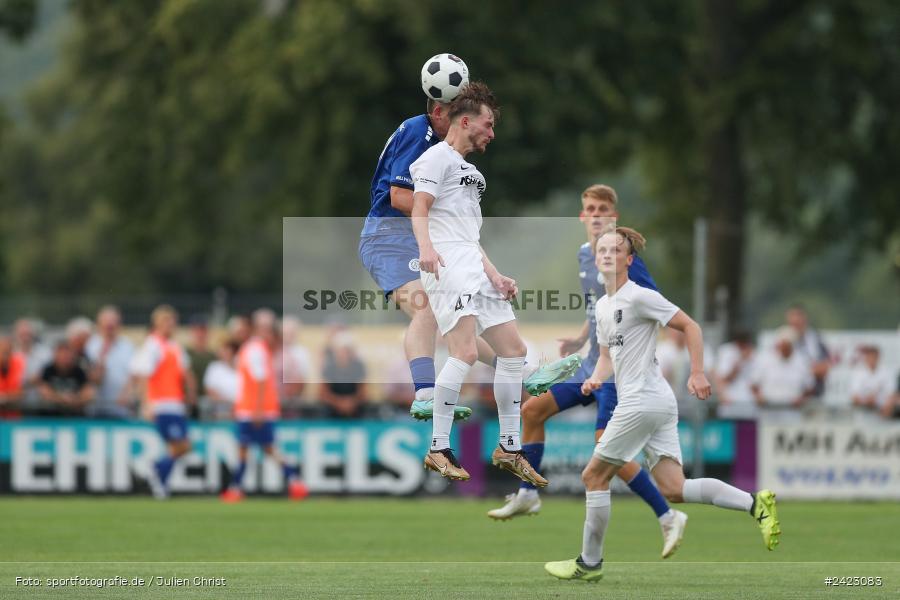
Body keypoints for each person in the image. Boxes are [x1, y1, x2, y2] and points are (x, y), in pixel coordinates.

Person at [545, 228, 780, 582]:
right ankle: (755, 504)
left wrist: (698, 372)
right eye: (602, 250)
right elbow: (608, 357)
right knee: (674, 488)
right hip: (655, 402)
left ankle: (589, 563)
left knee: (593, 475)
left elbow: (691, 326)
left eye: (616, 250)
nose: (607, 254)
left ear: (629, 260)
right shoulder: (605, 307)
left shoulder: (639, 296)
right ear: (595, 260)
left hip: (642, 401)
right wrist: (595, 377)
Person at [358, 63, 567, 424]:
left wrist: (491, 270)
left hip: (425, 237)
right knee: (427, 308)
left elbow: (455, 226)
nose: (462, 122)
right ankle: (425, 393)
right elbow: (398, 196)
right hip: (390, 238)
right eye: (454, 114)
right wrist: (440, 211)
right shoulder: (418, 132)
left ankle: (525, 370)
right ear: (438, 111)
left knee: (464, 319)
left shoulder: (454, 159)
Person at [488, 185, 677, 558]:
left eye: (603, 209)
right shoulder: (583, 255)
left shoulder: (627, 260)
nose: (595, 214)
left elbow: (652, 310)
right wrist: (580, 338)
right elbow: (599, 308)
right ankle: (528, 494)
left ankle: (667, 514)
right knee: (532, 410)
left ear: (614, 217)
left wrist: (630, 351)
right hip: (591, 361)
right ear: (581, 216)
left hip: (617, 371)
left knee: (606, 452)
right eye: (589, 208)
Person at [411, 81, 544, 487]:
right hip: (447, 263)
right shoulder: (437, 158)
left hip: (471, 261)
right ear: (464, 121)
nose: (492, 133)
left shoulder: (470, 171)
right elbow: (419, 209)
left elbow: (470, 236)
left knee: (514, 353)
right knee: (465, 352)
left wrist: (495, 274)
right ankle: (438, 447)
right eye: (487, 124)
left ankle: (508, 446)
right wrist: (427, 249)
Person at [220, 309, 308, 502]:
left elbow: (260, 380)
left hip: (254, 410)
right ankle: (295, 481)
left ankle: (236, 489)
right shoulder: (254, 349)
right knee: (267, 449)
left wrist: (257, 409)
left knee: (248, 448)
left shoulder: (254, 349)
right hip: (254, 408)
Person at [131, 305, 197, 499]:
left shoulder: (174, 347)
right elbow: (144, 376)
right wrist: (146, 403)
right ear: (157, 324)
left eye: (173, 322)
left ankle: (160, 482)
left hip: (175, 403)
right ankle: (156, 469)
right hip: (162, 403)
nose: (171, 326)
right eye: (167, 322)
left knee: (179, 447)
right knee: (181, 446)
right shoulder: (153, 345)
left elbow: (185, 373)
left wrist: (190, 394)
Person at [750, 327, 813, 422]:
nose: (783, 349)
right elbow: (754, 384)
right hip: (768, 411)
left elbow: (809, 386)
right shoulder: (764, 359)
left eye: (787, 346)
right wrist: (759, 397)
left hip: (791, 412)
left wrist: (801, 399)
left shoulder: (802, 361)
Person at [85, 305, 135, 419]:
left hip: (121, 409)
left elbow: (134, 375)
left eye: (113, 321)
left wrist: (127, 393)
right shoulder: (90, 345)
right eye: (106, 322)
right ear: (99, 324)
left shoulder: (128, 346)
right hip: (94, 409)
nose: (110, 325)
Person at [38, 340, 95, 416]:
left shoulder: (79, 371)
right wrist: (61, 398)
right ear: (56, 355)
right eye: (62, 355)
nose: (65, 358)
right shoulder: (48, 370)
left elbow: (89, 392)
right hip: (51, 416)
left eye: (68, 355)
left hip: (75, 415)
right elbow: (43, 390)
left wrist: (76, 399)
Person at [785, 304, 831, 398]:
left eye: (799, 317)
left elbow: (823, 369)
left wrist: (799, 371)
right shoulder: (782, 340)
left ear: (805, 319)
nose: (796, 322)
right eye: (793, 319)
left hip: (812, 397)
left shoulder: (815, 339)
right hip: (788, 398)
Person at [320, 331, 368, 418]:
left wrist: (352, 402)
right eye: (341, 350)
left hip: (355, 406)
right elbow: (323, 393)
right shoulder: (329, 367)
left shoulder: (358, 366)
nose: (344, 354)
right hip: (333, 407)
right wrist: (339, 403)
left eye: (347, 350)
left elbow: (363, 392)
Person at [713, 330, 758, 420]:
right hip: (730, 402)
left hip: (748, 404)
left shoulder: (754, 354)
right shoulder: (726, 351)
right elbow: (724, 379)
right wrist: (741, 360)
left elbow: (756, 382)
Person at [848, 345, 895, 422]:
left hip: (882, 410)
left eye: (874, 357)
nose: (872, 360)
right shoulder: (858, 373)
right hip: (863, 409)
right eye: (870, 357)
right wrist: (866, 401)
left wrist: (884, 405)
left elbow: (891, 394)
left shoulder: (887, 372)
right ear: (866, 358)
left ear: (878, 358)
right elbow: (854, 397)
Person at [0, 335, 26, 418]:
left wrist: (5, 397)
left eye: (8, 350)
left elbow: (22, 392)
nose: (6, 354)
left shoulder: (19, 364)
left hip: (14, 415)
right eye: (3, 351)